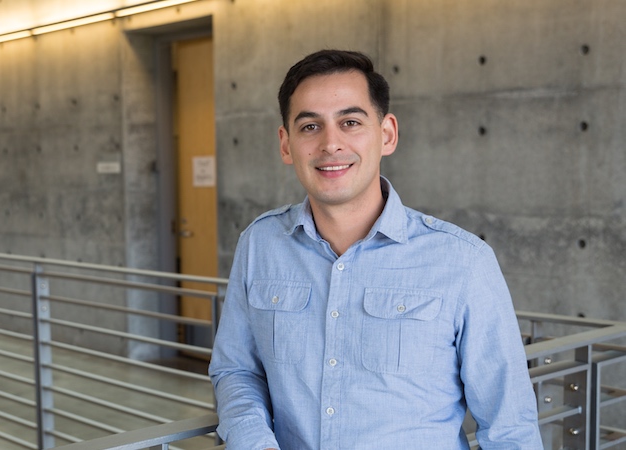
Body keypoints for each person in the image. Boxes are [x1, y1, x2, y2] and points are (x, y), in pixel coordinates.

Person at [208, 49, 543, 449]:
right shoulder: (259, 245)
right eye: (310, 126)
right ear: (286, 144)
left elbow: (509, 428)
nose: (331, 144)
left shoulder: (463, 261)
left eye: (350, 122)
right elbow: (236, 370)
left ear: (386, 134)